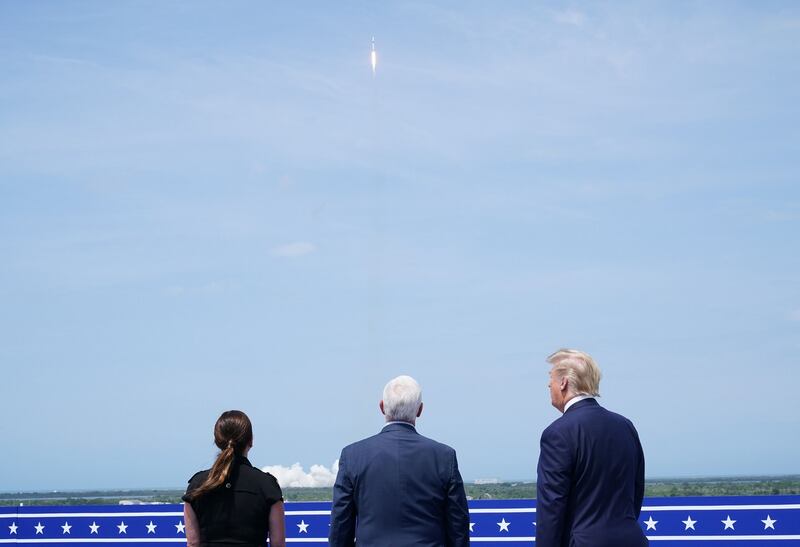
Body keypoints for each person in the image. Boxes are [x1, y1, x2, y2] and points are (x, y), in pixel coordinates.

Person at [329, 375, 470, 547]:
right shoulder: (444, 456)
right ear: (420, 410)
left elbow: (340, 525)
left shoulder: (352, 455)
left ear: (382, 407)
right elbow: (458, 527)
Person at [536, 349, 648, 547]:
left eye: (551, 378)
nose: (548, 384)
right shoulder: (626, 426)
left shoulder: (558, 433)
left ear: (563, 383)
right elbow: (636, 491)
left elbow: (552, 507)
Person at [183, 410, 285, 547]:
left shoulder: (197, 485)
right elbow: (277, 543)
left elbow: (193, 543)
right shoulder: (267, 485)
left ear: (217, 440)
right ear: (251, 441)